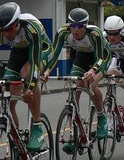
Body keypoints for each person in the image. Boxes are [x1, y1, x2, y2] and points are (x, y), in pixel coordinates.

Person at [0, 2, 52, 152]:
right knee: (7, 87)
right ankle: (16, 140)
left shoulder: (32, 28)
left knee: (26, 75)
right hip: (18, 51)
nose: (6, 34)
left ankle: (37, 126)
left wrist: (30, 87)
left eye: (9, 29)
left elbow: (34, 63)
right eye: (2, 30)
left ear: (17, 23)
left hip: (40, 50)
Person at [41, 8, 111, 148]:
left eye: (79, 27)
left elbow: (101, 58)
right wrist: (47, 72)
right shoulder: (63, 32)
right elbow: (54, 55)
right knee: (75, 85)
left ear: (85, 26)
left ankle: (102, 116)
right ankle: (75, 127)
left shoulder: (95, 33)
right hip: (82, 56)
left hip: (101, 57)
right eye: (72, 26)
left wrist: (92, 70)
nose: (75, 30)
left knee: (92, 84)